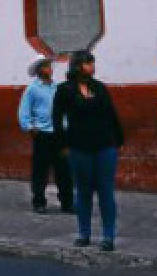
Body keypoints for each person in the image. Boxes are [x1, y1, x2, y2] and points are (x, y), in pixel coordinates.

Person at [53, 51, 124, 252]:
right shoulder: (64, 90)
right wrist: (63, 146)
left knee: (106, 192)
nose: (91, 66)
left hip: (104, 146)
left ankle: (108, 236)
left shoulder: (99, 87)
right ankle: (84, 233)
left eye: (92, 62)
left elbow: (111, 114)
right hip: (78, 147)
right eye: (87, 63)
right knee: (83, 192)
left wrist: (118, 139)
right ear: (76, 66)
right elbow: (57, 120)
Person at [18, 56, 74, 213]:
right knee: (40, 170)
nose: (50, 68)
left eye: (49, 65)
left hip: (59, 134)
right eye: (46, 66)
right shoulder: (32, 89)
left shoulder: (57, 87)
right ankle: (39, 202)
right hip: (42, 134)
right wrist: (30, 127)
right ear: (39, 70)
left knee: (64, 169)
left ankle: (67, 202)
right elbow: (24, 112)